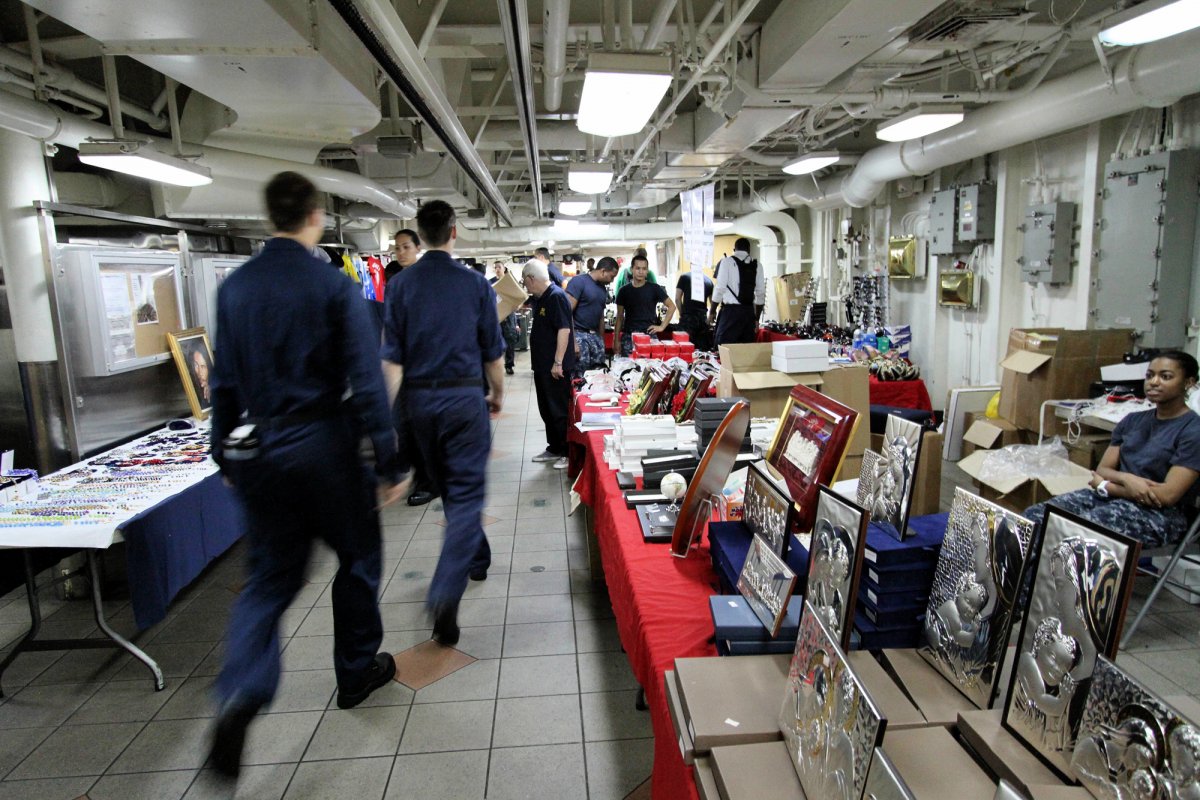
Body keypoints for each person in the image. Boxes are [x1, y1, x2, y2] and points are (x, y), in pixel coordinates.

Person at [206, 172, 407, 779]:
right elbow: (366, 380)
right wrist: (389, 459)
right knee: (358, 557)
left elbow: (223, 382)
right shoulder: (332, 285)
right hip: (325, 446)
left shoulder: (235, 289)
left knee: (268, 579)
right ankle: (356, 671)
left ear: (270, 217)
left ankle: (241, 691)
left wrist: (224, 455)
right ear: (315, 215)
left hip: (261, 448)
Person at [382, 199, 505, 646]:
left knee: (451, 490)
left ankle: (477, 557)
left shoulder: (400, 286)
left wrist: (388, 419)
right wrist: (497, 394)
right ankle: (445, 592)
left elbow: (391, 361)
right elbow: (493, 352)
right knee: (466, 493)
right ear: (454, 232)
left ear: (420, 235)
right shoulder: (475, 284)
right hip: (463, 399)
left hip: (419, 404)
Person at [1024, 351, 1200, 547]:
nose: (1154, 382)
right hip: (1111, 498)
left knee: (1078, 532)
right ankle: (1030, 568)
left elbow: (1166, 496)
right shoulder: (1132, 420)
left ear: (1188, 383)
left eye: (1165, 377)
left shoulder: (1193, 430)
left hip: (1161, 515)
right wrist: (1127, 479)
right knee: (1035, 517)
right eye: (1150, 375)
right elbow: (1103, 469)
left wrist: (1106, 485)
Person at [382, 228, 439, 508]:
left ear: (418, 248)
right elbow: (391, 325)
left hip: (426, 364)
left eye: (406, 246)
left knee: (423, 426)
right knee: (406, 424)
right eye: (397, 248)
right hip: (403, 363)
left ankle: (430, 482)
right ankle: (422, 477)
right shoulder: (396, 284)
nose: (401, 252)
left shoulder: (428, 280)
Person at [523, 258, 574, 470]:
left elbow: (564, 329)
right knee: (547, 409)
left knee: (559, 410)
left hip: (555, 367)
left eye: (525, 282)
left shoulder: (556, 296)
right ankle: (554, 447)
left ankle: (567, 452)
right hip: (542, 366)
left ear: (531, 279)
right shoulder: (541, 298)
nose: (525, 286)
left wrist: (558, 362)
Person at [613, 252, 675, 357]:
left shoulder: (654, 288)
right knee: (629, 365)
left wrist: (662, 327)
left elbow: (672, 306)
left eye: (644, 269)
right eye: (638, 268)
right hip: (629, 336)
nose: (641, 272)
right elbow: (619, 317)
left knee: (651, 365)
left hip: (649, 335)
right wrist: (616, 340)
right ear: (632, 269)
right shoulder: (623, 291)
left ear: (647, 271)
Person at [566, 255, 618, 374]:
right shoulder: (579, 282)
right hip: (579, 335)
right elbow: (566, 313)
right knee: (580, 375)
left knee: (598, 375)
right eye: (611, 276)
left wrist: (601, 340)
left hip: (595, 338)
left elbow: (600, 315)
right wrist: (572, 341)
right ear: (603, 271)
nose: (612, 280)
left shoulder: (602, 289)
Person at [711, 237, 765, 346]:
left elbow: (720, 288)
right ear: (749, 250)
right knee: (745, 350)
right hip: (748, 313)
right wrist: (756, 319)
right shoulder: (757, 265)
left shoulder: (726, 262)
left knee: (724, 348)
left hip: (730, 313)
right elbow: (760, 293)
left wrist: (712, 311)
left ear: (734, 249)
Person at [490, 260, 520, 375]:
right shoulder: (490, 283)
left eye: (499, 267)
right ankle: (495, 365)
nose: (497, 269)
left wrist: (516, 322)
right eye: (495, 267)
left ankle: (509, 365)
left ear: (504, 269)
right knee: (495, 341)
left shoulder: (509, 282)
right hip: (496, 316)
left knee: (510, 341)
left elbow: (518, 298)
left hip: (509, 316)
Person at [674, 269, 714, 351]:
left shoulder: (684, 277)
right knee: (702, 351)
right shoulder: (709, 281)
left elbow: (677, 299)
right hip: (703, 320)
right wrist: (709, 319)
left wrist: (682, 314)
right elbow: (713, 303)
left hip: (687, 319)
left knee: (685, 349)